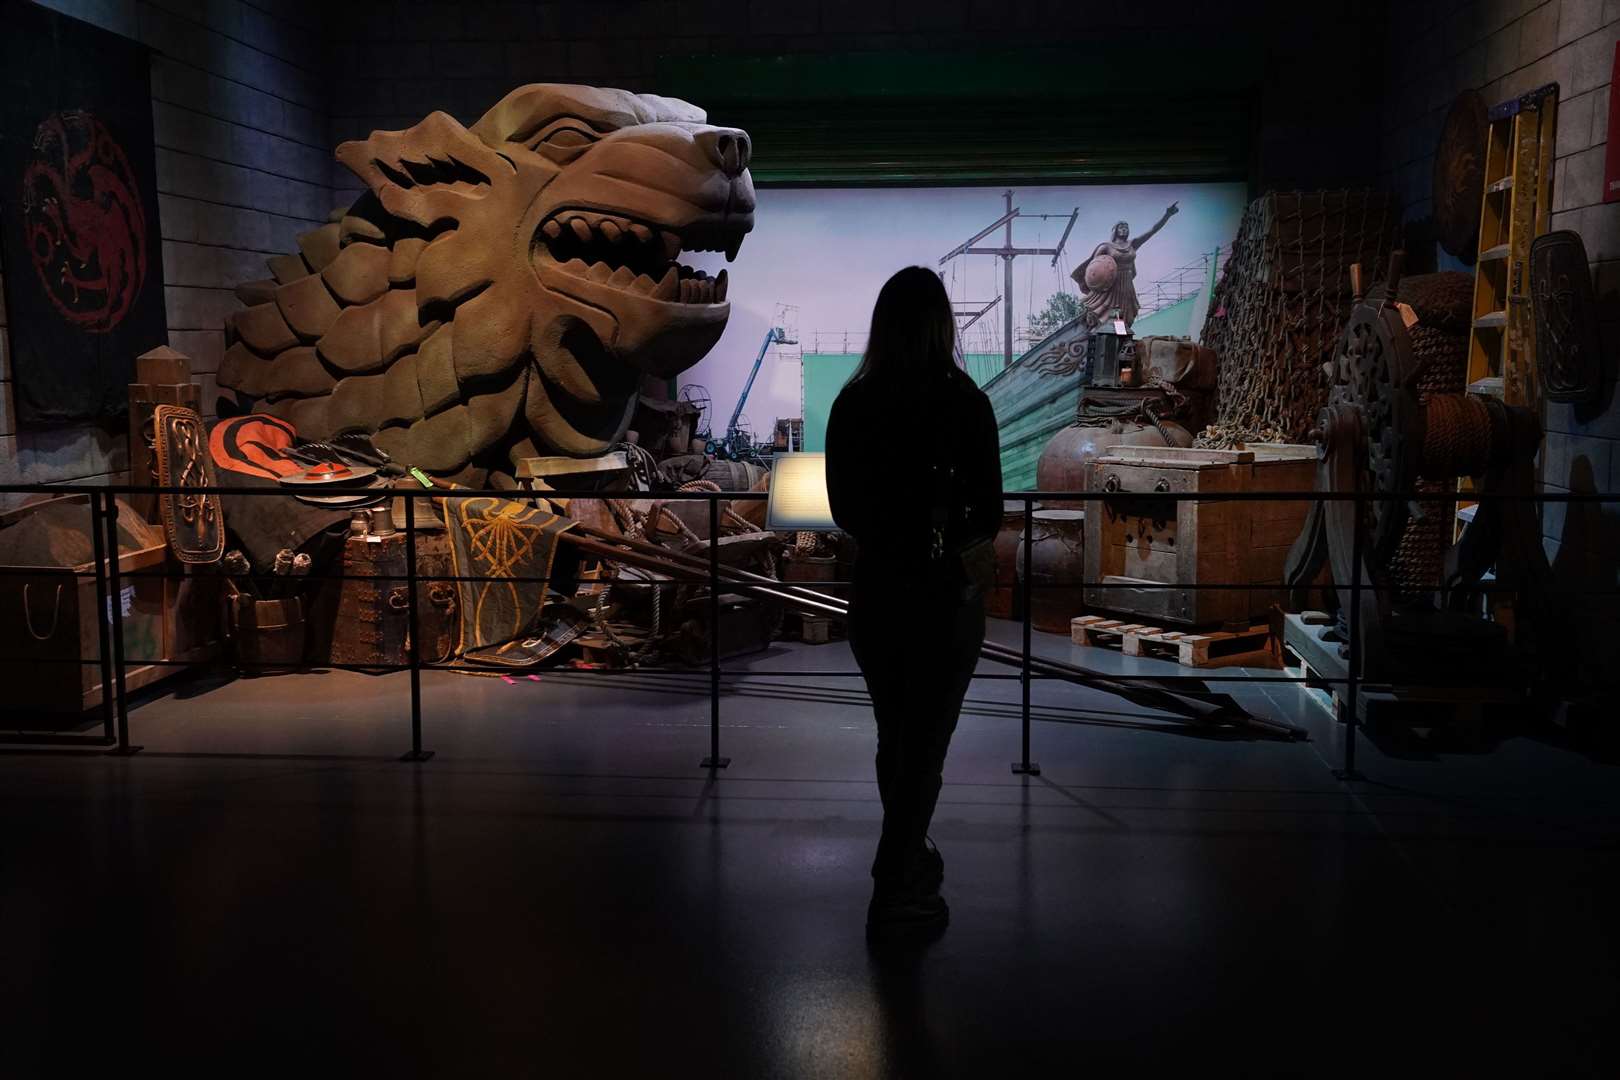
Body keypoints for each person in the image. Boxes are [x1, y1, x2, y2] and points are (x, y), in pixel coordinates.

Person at [825, 266, 1003, 939]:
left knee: (896, 736)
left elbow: (844, 510)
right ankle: (893, 877)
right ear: (942, 324)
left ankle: (907, 855)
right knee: (926, 744)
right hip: (943, 598)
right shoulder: (966, 402)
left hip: (876, 594)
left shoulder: (853, 402)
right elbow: (989, 510)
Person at [1070, 202, 1179, 328]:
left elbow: (1152, 231)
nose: (1124, 229)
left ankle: (1121, 336)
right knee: (1112, 311)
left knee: (1125, 311)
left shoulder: (1132, 244)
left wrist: (1167, 215)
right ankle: (1106, 332)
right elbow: (1094, 267)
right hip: (1111, 284)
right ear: (1115, 231)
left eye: (1126, 227)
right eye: (1121, 227)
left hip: (1126, 284)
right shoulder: (1106, 247)